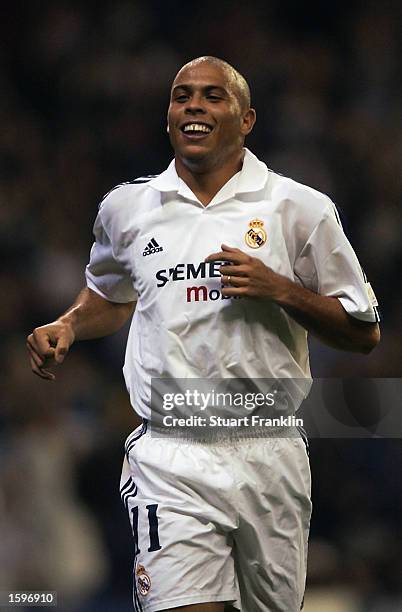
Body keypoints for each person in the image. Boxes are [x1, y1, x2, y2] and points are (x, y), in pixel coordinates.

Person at [27, 56, 380, 612]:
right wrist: (68, 325)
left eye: (214, 96)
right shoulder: (127, 208)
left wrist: (282, 290)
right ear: (169, 114)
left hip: (269, 450)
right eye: (182, 94)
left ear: (247, 120)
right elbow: (109, 294)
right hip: (170, 454)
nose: (194, 105)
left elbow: (364, 333)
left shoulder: (299, 208)